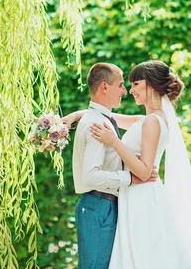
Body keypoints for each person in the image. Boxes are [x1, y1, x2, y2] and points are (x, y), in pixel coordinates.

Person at [67, 60, 191, 268]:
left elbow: (144, 171)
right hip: (132, 195)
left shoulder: (152, 122)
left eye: (135, 84)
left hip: (141, 195)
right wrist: (76, 115)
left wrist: (113, 141)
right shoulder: (147, 119)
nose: (129, 90)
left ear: (150, 85)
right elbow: (110, 116)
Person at [67, 63, 158, 269]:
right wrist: (130, 178)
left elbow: (142, 122)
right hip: (99, 205)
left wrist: (74, 114)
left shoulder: (101, 118)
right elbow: (91, 176)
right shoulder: (96, 125)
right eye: (120, 85)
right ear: (104, 87)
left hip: (104, 204)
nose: (125, 91)